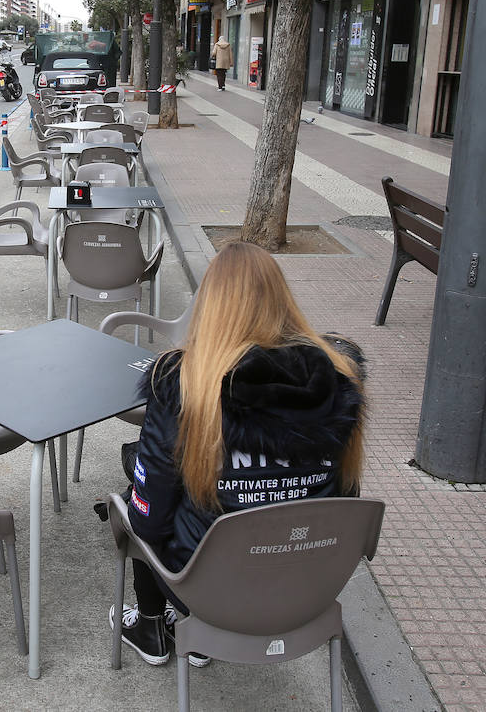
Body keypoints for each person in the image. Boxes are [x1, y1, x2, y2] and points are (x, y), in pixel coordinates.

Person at [114, 241, 366, 666]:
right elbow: (346, 494)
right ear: (282, 299)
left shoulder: (184, 382)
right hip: (306, 586)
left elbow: (150, 519)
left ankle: (153, 623)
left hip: (209, 590)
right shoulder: (340, 376)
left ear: (209, 306)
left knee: (137, 495)